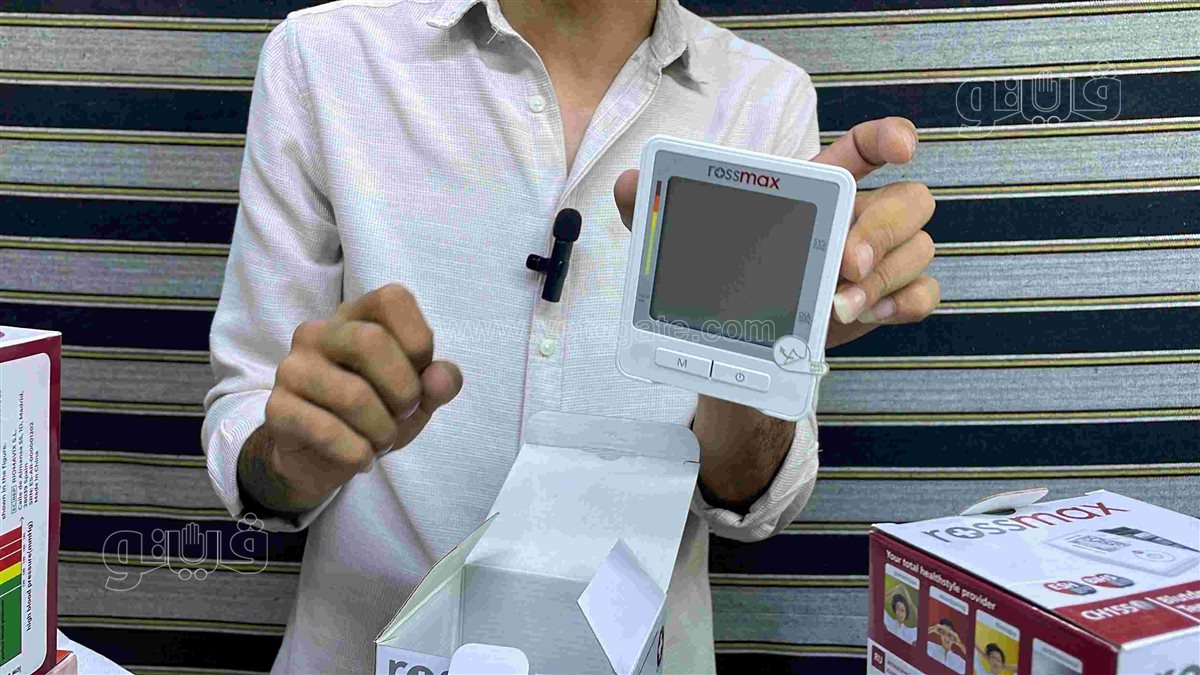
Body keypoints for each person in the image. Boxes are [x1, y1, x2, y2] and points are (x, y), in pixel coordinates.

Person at [201, 0, 939, 672]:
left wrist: (748, 356)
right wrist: (295, 453)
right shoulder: (325, 58)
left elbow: (750, 498)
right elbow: (249, 425)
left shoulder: (764, 99)